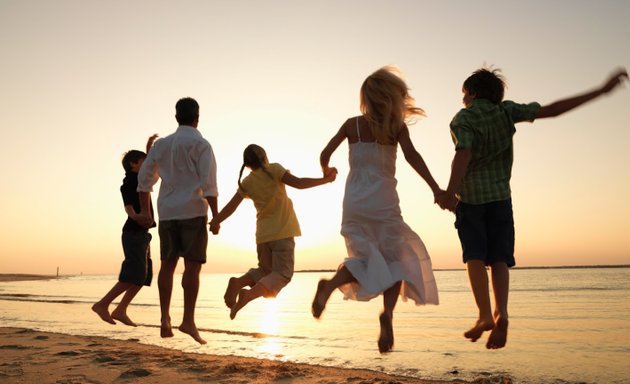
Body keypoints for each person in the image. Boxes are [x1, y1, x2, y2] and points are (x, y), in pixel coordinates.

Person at [436, 67, 629, 350]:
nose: (462, 99)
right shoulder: (506, 111)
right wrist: (600, 91)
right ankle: (502, 313)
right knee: (499, 260)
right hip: (501, 199)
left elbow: (463, 153)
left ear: (473, 93)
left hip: (472, 201)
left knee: (474, 258)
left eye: (464, 93)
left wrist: (450, 191)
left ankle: (484, 315)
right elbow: (553, 110)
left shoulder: (463, 118)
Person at [312, 66, 442, 353]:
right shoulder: (396, 128)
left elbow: (324, 154)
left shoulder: (351, 125)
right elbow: (413, 158)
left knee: (363, 256)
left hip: (355, 202)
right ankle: (388, 315)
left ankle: (332, 284)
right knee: (396, 259)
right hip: (383, 203)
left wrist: (327, 171)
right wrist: (435, 188)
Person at [210, 144, 337, 320]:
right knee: (282, 274)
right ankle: (248, 295)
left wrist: (216, 220)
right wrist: (325, 180)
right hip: (283, 234)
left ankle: (239, 282)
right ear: (264, 157)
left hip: (263, 237)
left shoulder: (248, 182)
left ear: (247, 165)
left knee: (265, 271)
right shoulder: (275, 169)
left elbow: (231, 206)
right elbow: (299, 184)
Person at [137, 97, 219, 345]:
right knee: (192, 267)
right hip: (193, 212)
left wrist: (146, 213)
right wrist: (216, 216)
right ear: (197, 117)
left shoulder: (162, 145)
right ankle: (188, 320)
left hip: (168, 213)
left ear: (176, 117)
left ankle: (164, 318)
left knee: (168, 266)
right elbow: (209, 185)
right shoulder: (201, 145)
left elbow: (144, 180)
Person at [92, 135, 157, 326]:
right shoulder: (129, 181)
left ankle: (121, 309)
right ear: (133, 164)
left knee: (143, 276)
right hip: (133, 233)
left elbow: (151, 164)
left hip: (142, 234)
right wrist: (135, 216)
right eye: (143, 162)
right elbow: (128, 205)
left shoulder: (141, 178)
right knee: (132, 274)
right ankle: (102, 305)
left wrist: (149, 146)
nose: (147, 165)